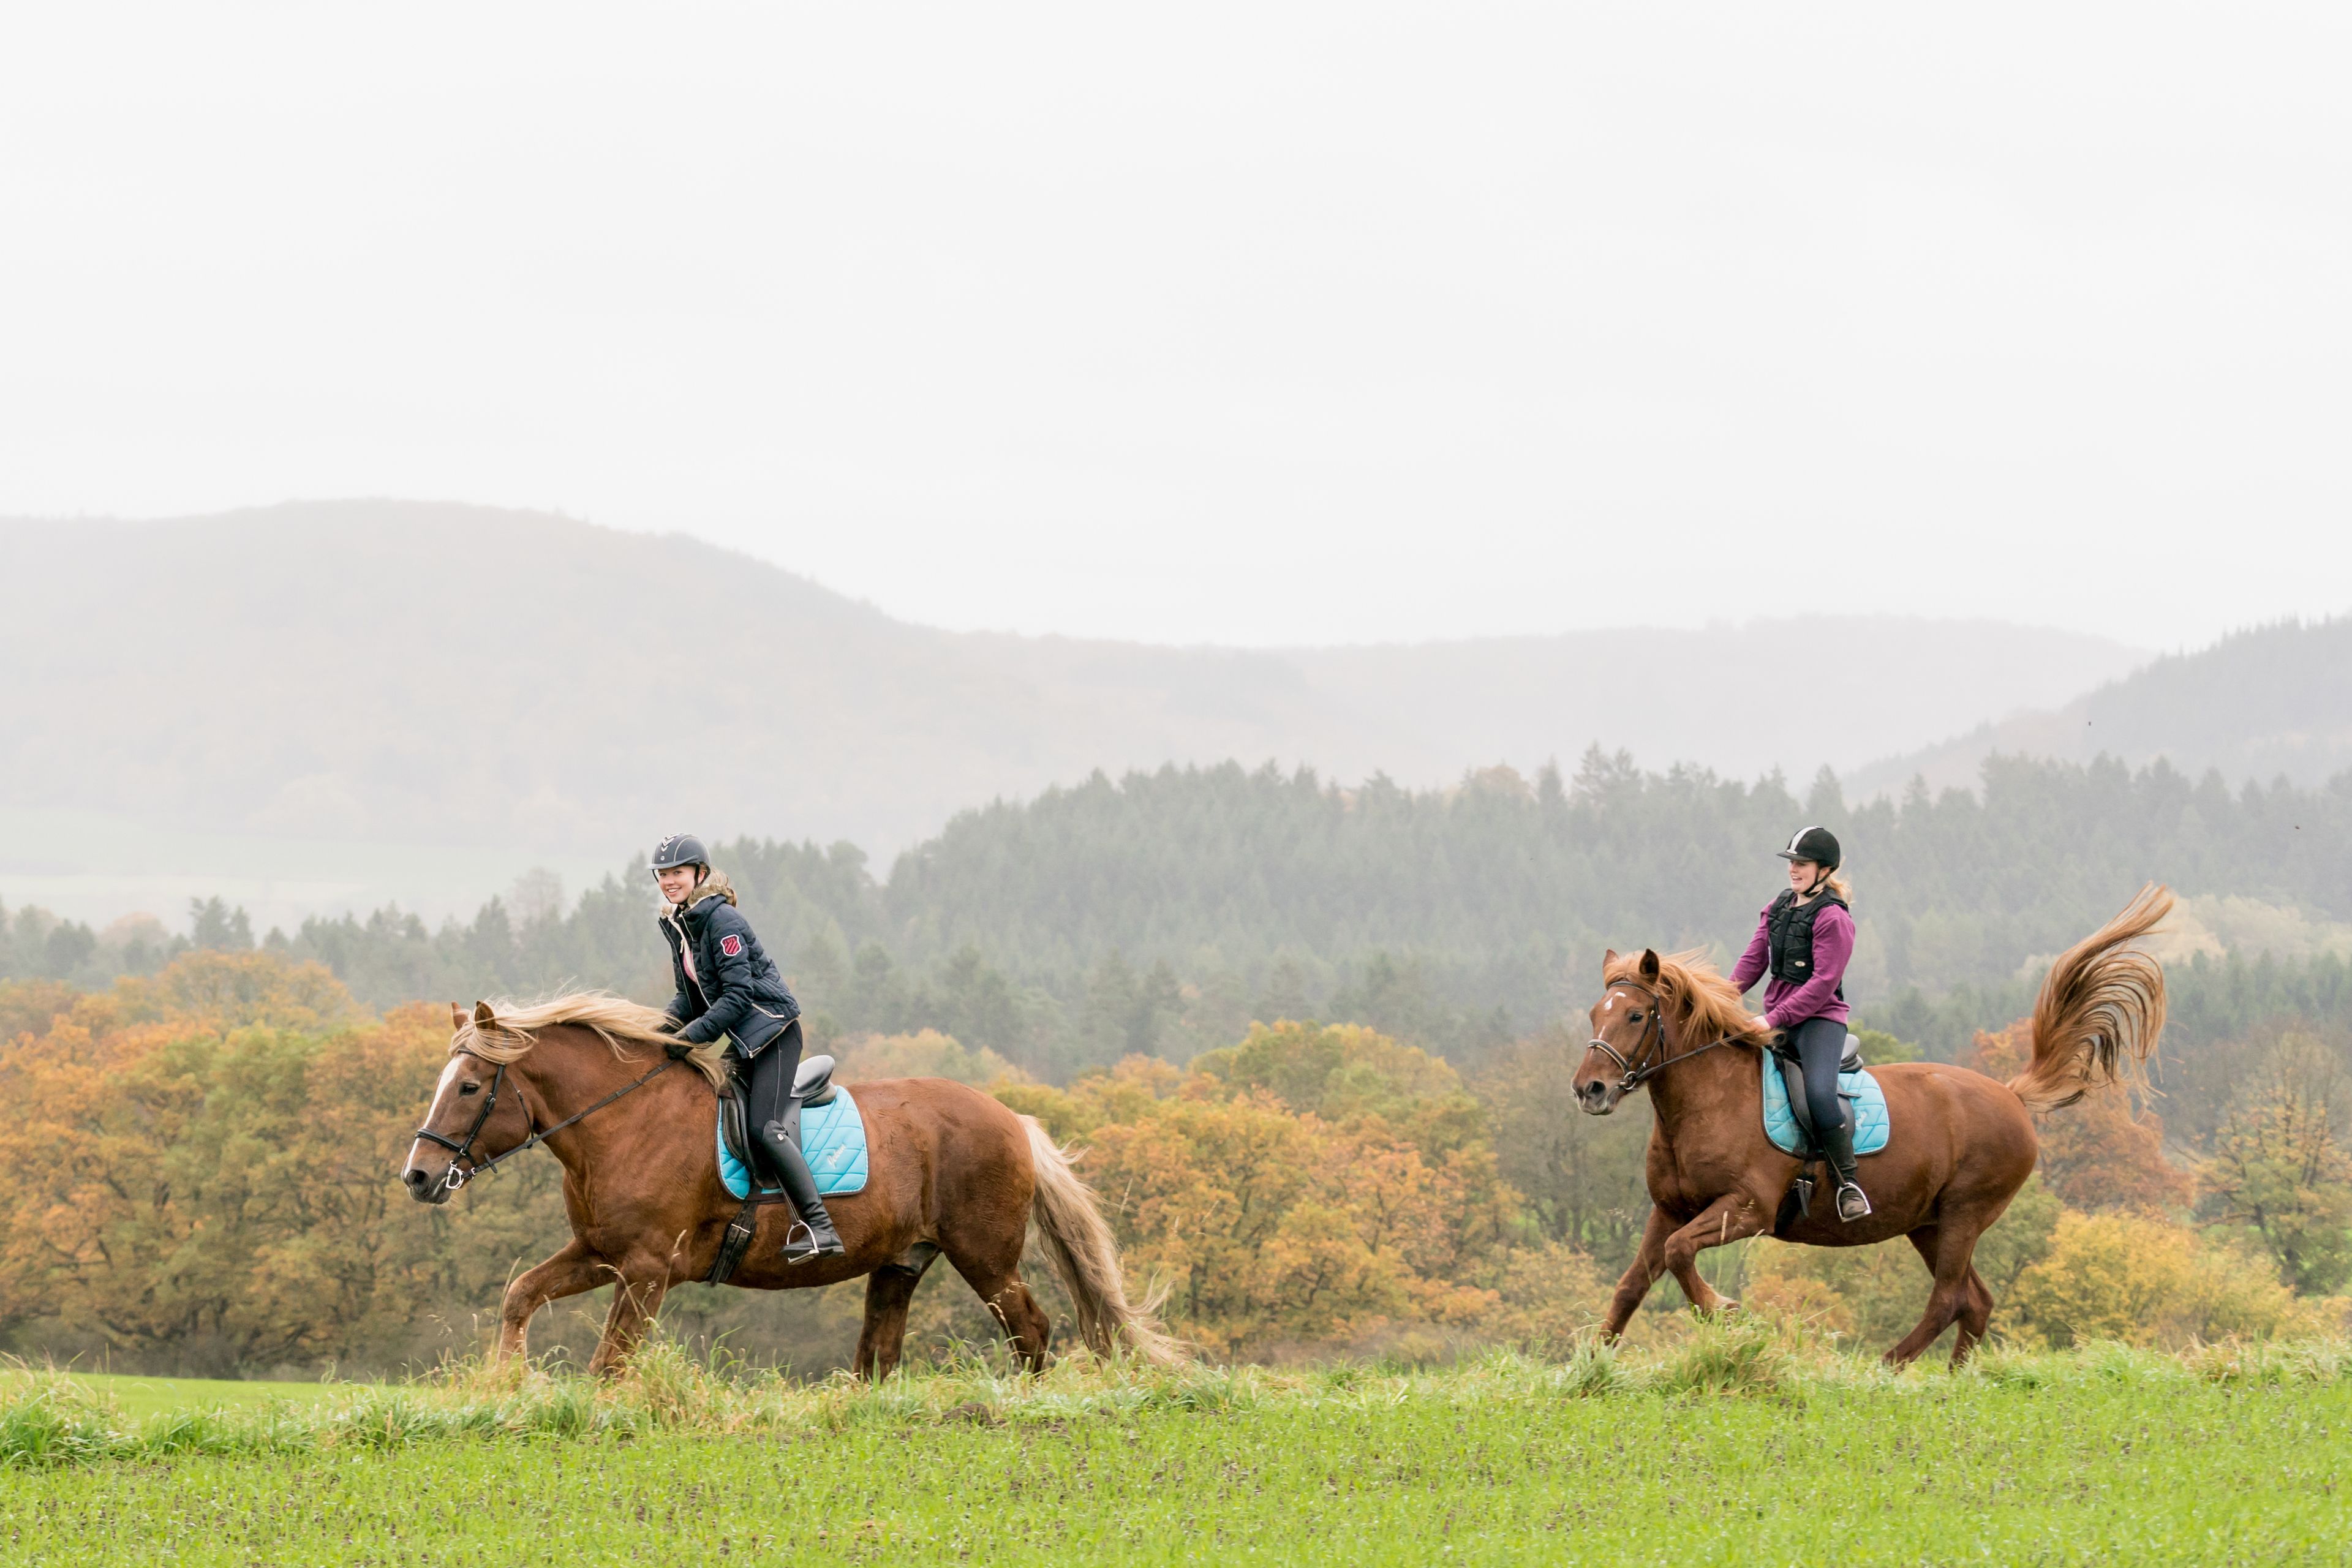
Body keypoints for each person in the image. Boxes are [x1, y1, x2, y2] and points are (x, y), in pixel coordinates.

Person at [650, 832, 844, 1263]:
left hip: (772, 1034)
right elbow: (690, 998)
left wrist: (689, 1039)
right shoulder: (680, 924)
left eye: (677, 873)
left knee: (764, 1128)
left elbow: (736, 998)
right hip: (741, 1037)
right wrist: (657, 1033)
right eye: (662, 874)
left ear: (699, 874)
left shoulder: (723, 922)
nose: (668, 881)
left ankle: (820, 1227)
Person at [1728, 826, 1870, 1221]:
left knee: (1821, 1097)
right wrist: (1719, 1000)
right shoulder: (1778, 907)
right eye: (1792, 863)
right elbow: (1753, 961)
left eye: (1802, 864)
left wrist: (1772, 1018)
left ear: (1824, 869)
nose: (1794, 870)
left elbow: (1823, 984)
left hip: (1819, 1023)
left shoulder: (1833, 918)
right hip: (1777, 1018)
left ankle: (1848, 1184)